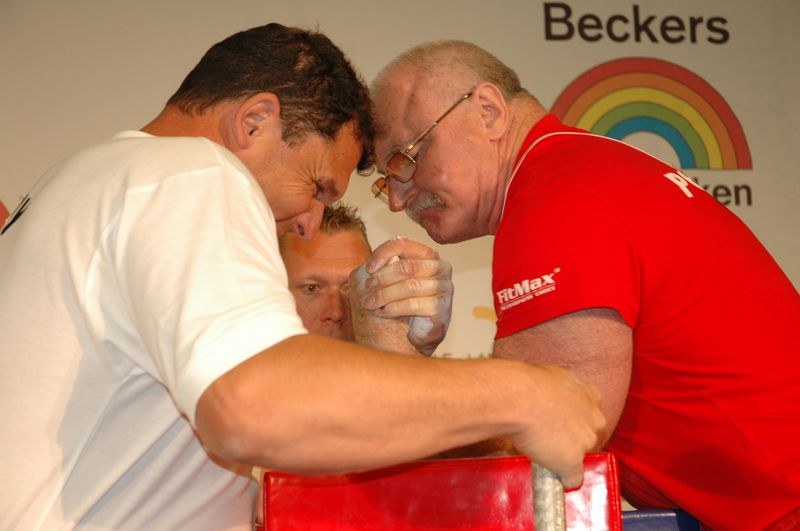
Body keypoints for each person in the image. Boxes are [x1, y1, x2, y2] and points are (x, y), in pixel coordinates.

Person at [0, 24, 605, 529]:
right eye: (316, 185)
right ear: (256, 121)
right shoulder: (187, 173)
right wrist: (520, 392)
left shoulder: (89, 179)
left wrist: (388, 346)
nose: (311, 224)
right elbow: (255, 408)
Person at [368, 40, 800, 530]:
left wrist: (388, 395)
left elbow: (542, 437)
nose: (398, 201)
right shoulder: (584, 172)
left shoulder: (558, 201)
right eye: (386, 180)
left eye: (405, 159)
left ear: (487, 111)